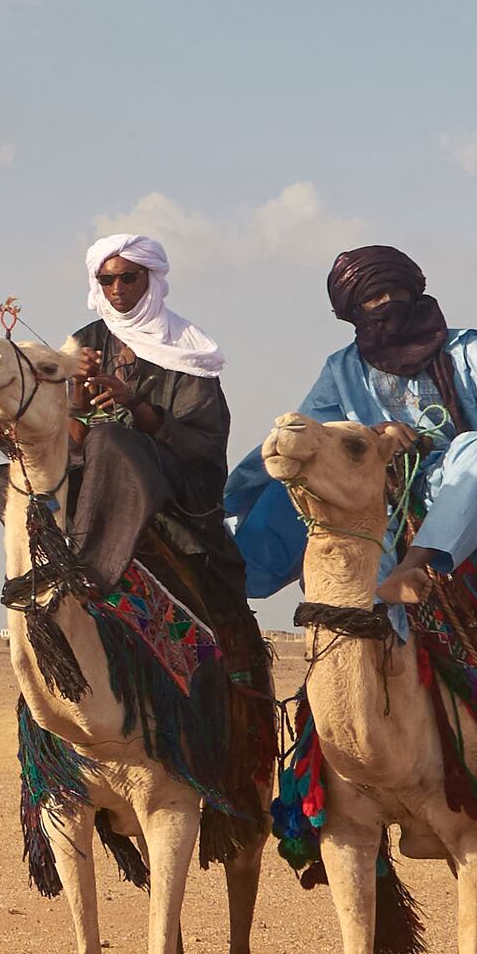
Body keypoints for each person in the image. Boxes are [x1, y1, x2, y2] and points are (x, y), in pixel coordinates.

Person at [292, 244, 477, 646]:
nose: (387, 305)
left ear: (414, 294)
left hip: (475, 495)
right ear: (354, 312)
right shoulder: (342, 371)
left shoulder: (464, 351)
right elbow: (318, 435)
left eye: (395, 295)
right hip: (386, 499)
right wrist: (374, 434)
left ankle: (414, 566)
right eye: (373, 299)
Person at [66, 230, 279, 674]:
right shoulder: (84, 341)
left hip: (175, 486)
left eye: (128, 278)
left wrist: (133, 405)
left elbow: (200, 444)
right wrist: (75, 394)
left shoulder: (186, 347)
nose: (117, 290)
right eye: (107, 281)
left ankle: (92, 570)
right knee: (0, 478)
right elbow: (69, 439)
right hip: (90, 481)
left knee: (112, 440)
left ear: (151, 279)